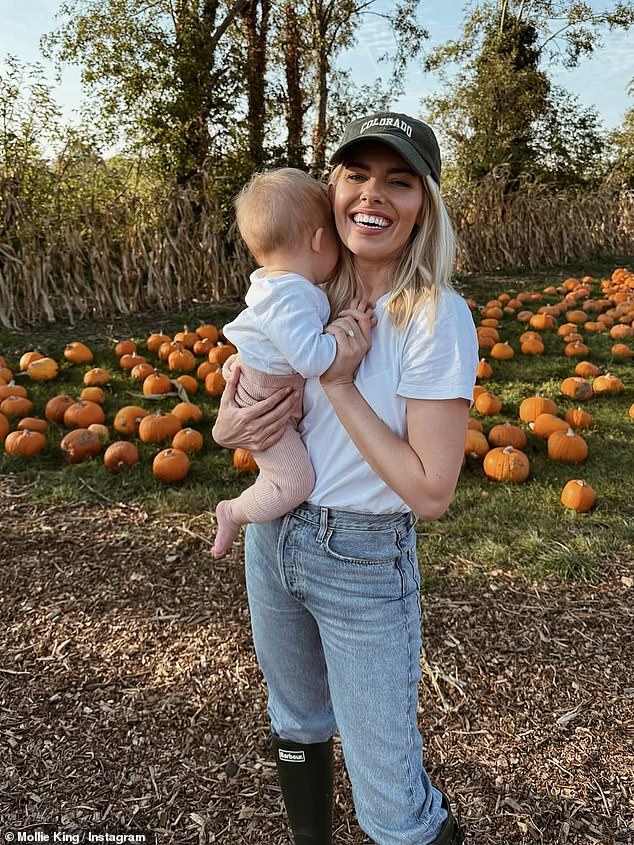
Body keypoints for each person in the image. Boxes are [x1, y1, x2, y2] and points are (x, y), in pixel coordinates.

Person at [212, 112, 478, 845]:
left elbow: (431, 492)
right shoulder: (307, 294)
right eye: (356, 175)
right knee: (296, 719)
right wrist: (229, 424)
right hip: (274, 536)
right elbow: (251, 402)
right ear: (331, 192)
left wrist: (338, 382)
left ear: (424, 205)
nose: (373, 194)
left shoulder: (434, 318)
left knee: (391, 802)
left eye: (399, 181)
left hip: (361, 558)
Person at [212, 167, 368, 558]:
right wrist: (340, 335)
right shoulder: (290, 295)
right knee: (293, 483)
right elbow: (311, 359)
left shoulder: (280, 286)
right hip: (267, 404)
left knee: (287, 472)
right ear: (319, 239)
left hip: (270, 392)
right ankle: (233, 511)